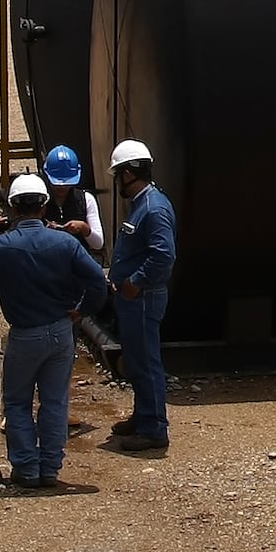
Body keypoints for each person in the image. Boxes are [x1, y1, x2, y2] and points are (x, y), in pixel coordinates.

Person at [0, 171, 109, 490]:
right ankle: (50, 468)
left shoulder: (1, 247)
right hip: (61, 332)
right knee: (55, 402)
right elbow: (97, 281)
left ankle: (26, 468)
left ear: (11, 207)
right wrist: (81, 310)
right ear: (44, 206)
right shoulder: (65, 242)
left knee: (17, 402)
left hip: (25, 334)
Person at [99, 140, 176, 455]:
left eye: (119, 174)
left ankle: (153, 428)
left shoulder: (154, 208)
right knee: (137, 359)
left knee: (145, 363)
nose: (117, 181)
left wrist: (135, 282)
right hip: (134, 300)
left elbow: (164, 255)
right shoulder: (144, 204)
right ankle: (143, 415)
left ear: (130, 173)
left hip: (142, 299)